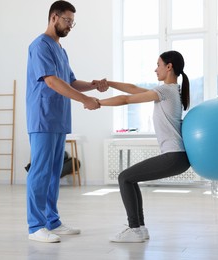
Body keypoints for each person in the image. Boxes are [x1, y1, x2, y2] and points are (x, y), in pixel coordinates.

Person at [26, 0, 108, 243]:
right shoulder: (40, 45)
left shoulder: (61, 50)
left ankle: (52, 221)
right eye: (67, 21)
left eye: (73, 22)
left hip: (59, 118)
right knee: (40, 172)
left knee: (53, 173)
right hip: (42, 117)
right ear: (54, 17)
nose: (70, 26)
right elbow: (51, 81)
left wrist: (93, 85)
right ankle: (35, 226)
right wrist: (85, 99)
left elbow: (69, 81)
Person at [96, 50, 191, 243]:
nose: (155, 69)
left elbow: (126, 99)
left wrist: (97, 103)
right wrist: (110, 83)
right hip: (178, 157)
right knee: (130, 179)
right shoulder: (171, 90)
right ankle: (139, 229)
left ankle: (135, 229)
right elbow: (133, 89)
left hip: (174, 156)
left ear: (169, 66)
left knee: (124, 178)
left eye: (158, 64)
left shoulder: (166, 91)